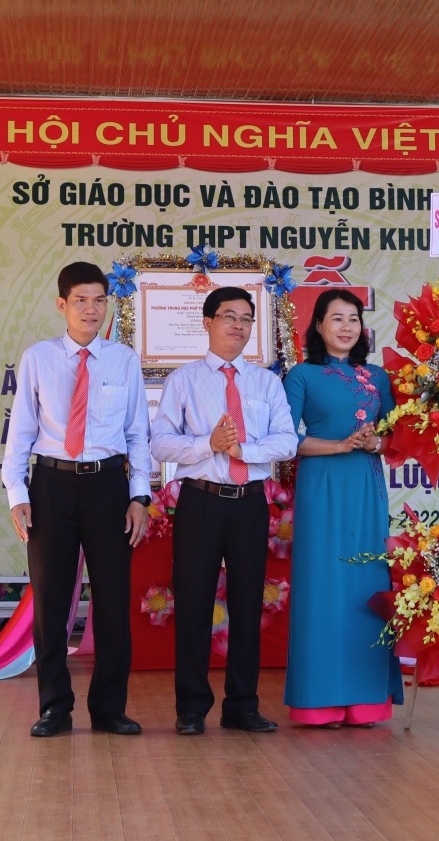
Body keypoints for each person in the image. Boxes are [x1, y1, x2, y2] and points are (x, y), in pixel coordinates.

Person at [2, 261, 151, 738]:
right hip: (52, 486)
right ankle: (54, 708)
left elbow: (138, 433)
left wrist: (140, 496)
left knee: (113, 601)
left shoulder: (123, 360)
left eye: (99, 300)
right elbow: (20, 432)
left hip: (109, 488)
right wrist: (17, 493)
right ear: (61, 304)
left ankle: (109, 709)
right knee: (51, 602)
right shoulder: (38, 358)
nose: (91, 309)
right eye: (81, 300)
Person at [151, 286, 298, 736]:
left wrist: (244, 451)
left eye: (246, 318)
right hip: (200, 501)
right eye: (229, 316)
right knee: (193, 604)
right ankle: (192, 708)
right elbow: (160, 443)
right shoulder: (184, 380)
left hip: (250, 502)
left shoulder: (265, 382)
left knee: (248, 605)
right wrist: (207, 444)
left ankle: (242, 706)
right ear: (207, 323)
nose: (238, 325)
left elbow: (287, 441)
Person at [281, 290, 404, 728]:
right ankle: (319, 702)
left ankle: (366, 701)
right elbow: (285, 439)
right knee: (323, 585)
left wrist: (374, 443)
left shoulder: (378, 377)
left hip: (366, 488)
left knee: (366, 582)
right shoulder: (302, 375)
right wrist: (339, 445)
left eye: (353, 318)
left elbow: (397, 437)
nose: (347, 327)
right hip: (322, 486)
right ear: (318, 325)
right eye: (337, 318)